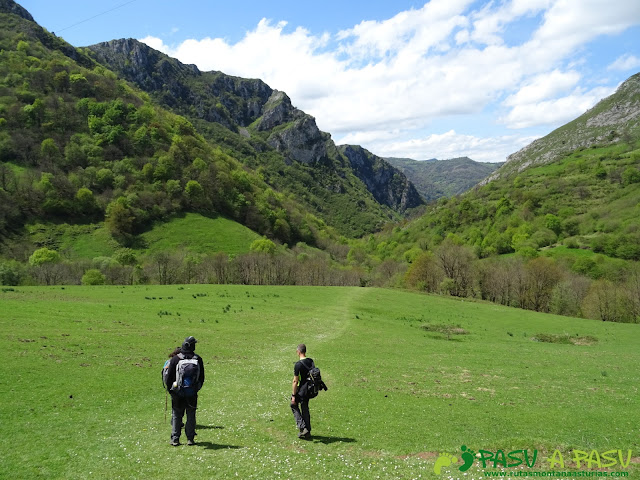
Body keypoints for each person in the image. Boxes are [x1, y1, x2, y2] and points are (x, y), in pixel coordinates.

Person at [165, 336, 205, 446]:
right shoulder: (198, 359)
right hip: (192, 393)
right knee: (191, 415)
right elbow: (201, 378)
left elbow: (169, 378)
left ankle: (175, 439)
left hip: (177, 392)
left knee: (177, 415)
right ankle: (190, 439)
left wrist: (172, 391)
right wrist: (195, 389)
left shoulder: (175, 359)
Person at [290, 343, 315, 439]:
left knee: (293, 404)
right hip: (309, 389)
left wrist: (293, 395)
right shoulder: (310, 361)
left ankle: (302, 427)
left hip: (301, 390)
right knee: (305, 408)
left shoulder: (298, 365)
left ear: (298, 352)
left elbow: (295, 381)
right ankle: (307, 431)